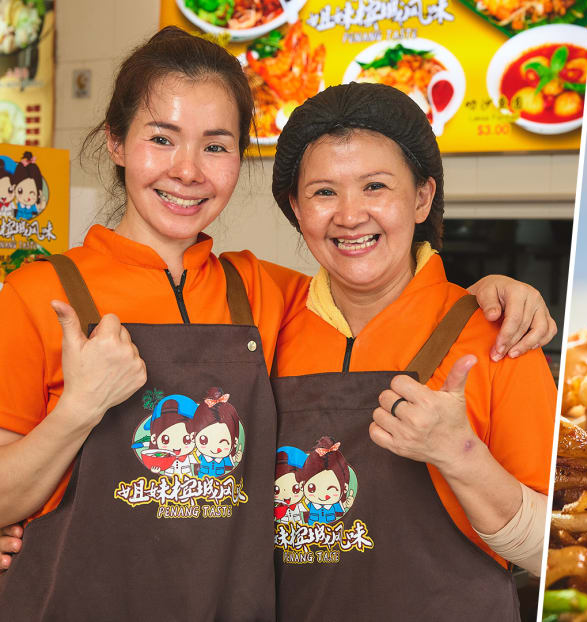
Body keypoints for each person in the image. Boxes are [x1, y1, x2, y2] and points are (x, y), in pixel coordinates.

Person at [0, 26, 556, 613]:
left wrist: (500, 295)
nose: (187, 170)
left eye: (215, 145)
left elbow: (562, 546)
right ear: (115, 141)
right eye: (162, 139)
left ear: (421, 198)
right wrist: (79, 408)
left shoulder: (265, 295)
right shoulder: (41, 293)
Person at [263, 82, 558, 621]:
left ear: (422, 197)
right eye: (324, 192)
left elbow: (554, 549)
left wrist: (460, 455)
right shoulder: (269, 322)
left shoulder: (497, 335)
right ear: (296, 207)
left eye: (375, 186)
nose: (350, 216)